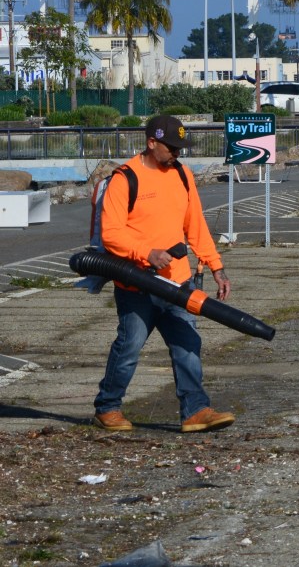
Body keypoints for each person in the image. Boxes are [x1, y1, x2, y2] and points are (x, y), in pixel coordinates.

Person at [93, 115, 235, 433]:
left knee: (188, 345)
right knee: (129, 348)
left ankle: (195, 410)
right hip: (137, 285)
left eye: (180, 148)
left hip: (177, 282)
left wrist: (216, 266)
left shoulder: (182, 175)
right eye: (171, 148)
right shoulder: (125, 178)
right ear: (151, 142)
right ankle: (108, 408)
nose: (177, 153)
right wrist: (147, 253)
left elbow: (195, 225)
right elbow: (111, 234)